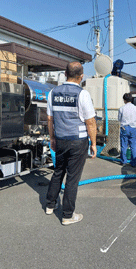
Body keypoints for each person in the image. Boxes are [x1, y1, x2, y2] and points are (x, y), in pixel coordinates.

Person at [46, 61, 97, 226]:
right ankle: (68, 215)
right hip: (77, 141)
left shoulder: (53, 92)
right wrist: (94, 144)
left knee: (58, 172)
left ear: (65, 74)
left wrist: (52, 138)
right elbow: (90, 122)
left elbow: (49, 119)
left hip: (60, 139)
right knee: (72, 179)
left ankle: (50, 205)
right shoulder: (83, 94)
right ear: (81, 77)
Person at [118, 93, 136, 167]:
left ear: (124, 100)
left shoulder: (122, 108)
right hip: (133, 128)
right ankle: (133, 162)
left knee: (124, 145)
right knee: (133, 146)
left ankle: (123, 161)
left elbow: (119, 119)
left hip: (124, 128)